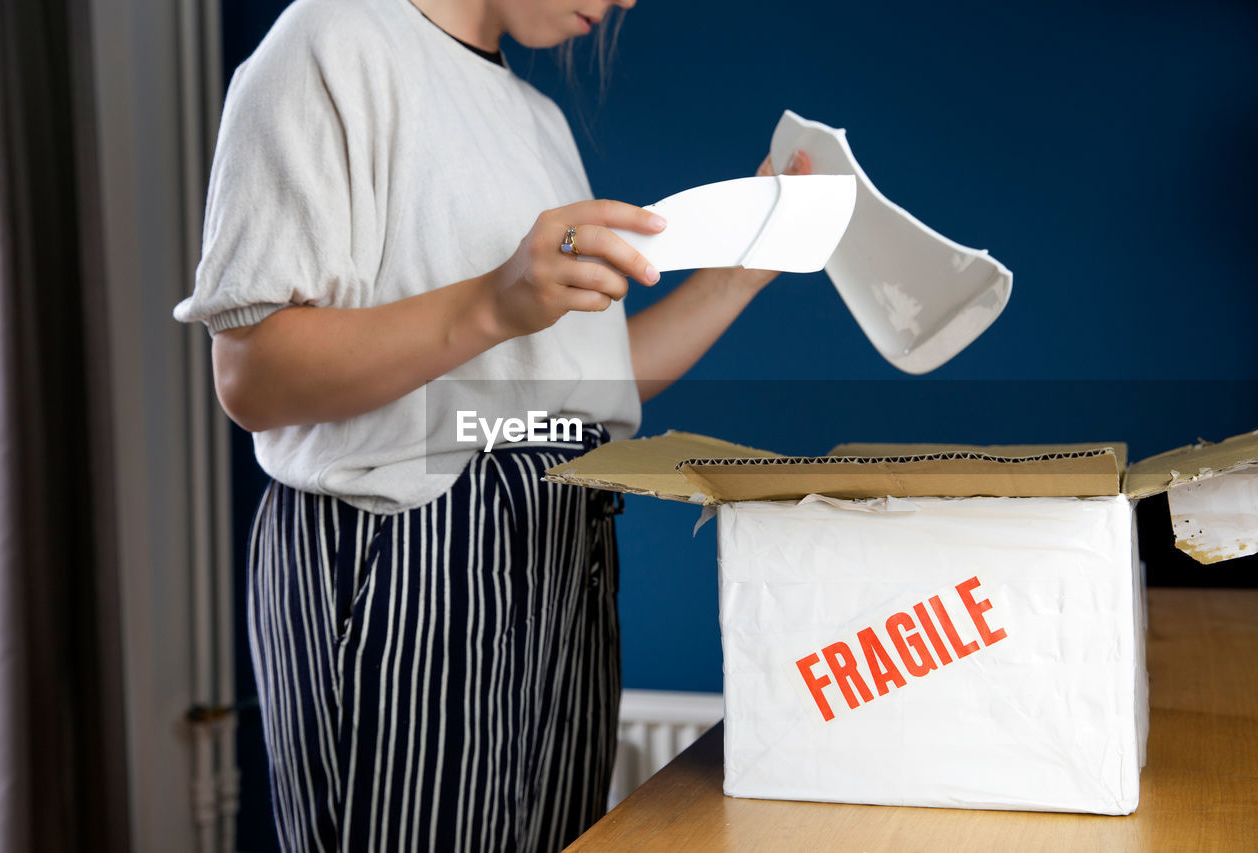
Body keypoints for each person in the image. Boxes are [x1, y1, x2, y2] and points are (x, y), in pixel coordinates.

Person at [174, 0, 808, 849]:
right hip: (405, 551)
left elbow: (580, 384)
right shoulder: (333, 39)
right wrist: (492, 300)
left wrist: (741, 273)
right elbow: (250, 374)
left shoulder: (536, 119)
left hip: (563, 548)